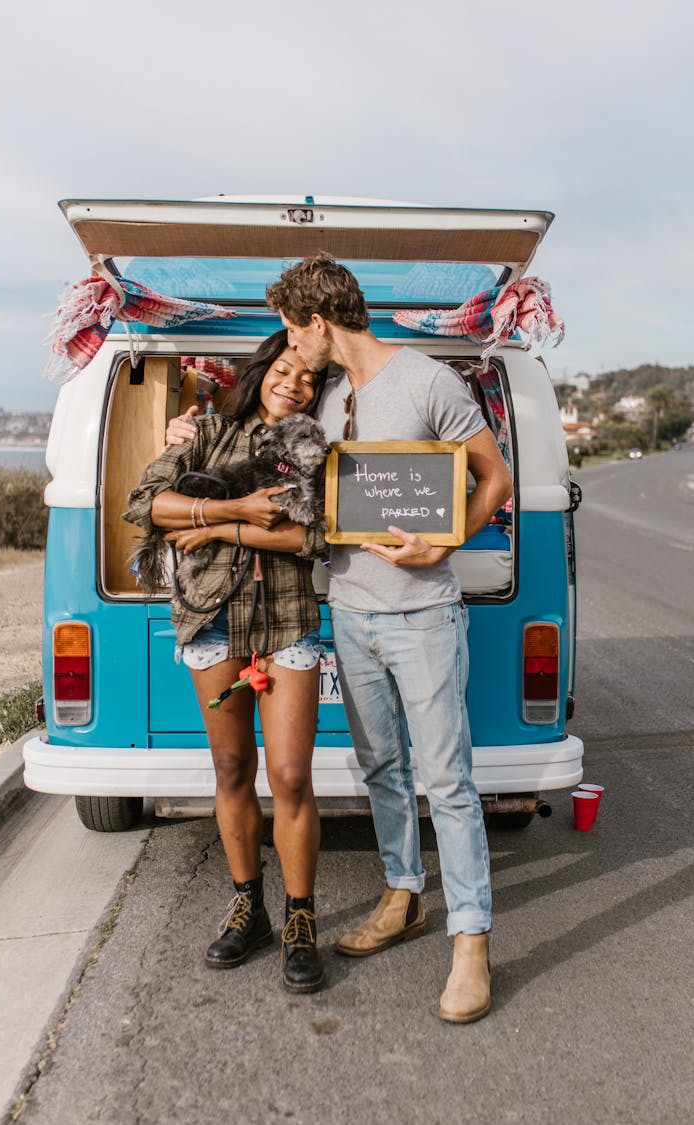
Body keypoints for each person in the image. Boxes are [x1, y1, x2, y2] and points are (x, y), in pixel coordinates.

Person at [168, 254, 513, 1023]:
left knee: (447, 779)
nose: (292, 343)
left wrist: (445, 542)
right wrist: (189, 429)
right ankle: (402, 896)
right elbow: (263, 463)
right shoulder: (325, 403)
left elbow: (494, 477)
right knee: (382, 768)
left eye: (295, 328)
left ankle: (471, 942)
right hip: (349, 615)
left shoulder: (429, 382)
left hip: (422, 613)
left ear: (318, 322)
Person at [124, 330, 328, 993]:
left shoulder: (311, 448)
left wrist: (213, 523)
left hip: (287, 621)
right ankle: (250, 904)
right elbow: (146, 505)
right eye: (285, 369)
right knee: (232, 767)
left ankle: (301, 917)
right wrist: (239, 507)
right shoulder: (206, 432)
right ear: (262, 368)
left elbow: (312, 535)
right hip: (211, 618)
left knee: (292, 775)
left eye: (307, 378)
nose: (294, 382)